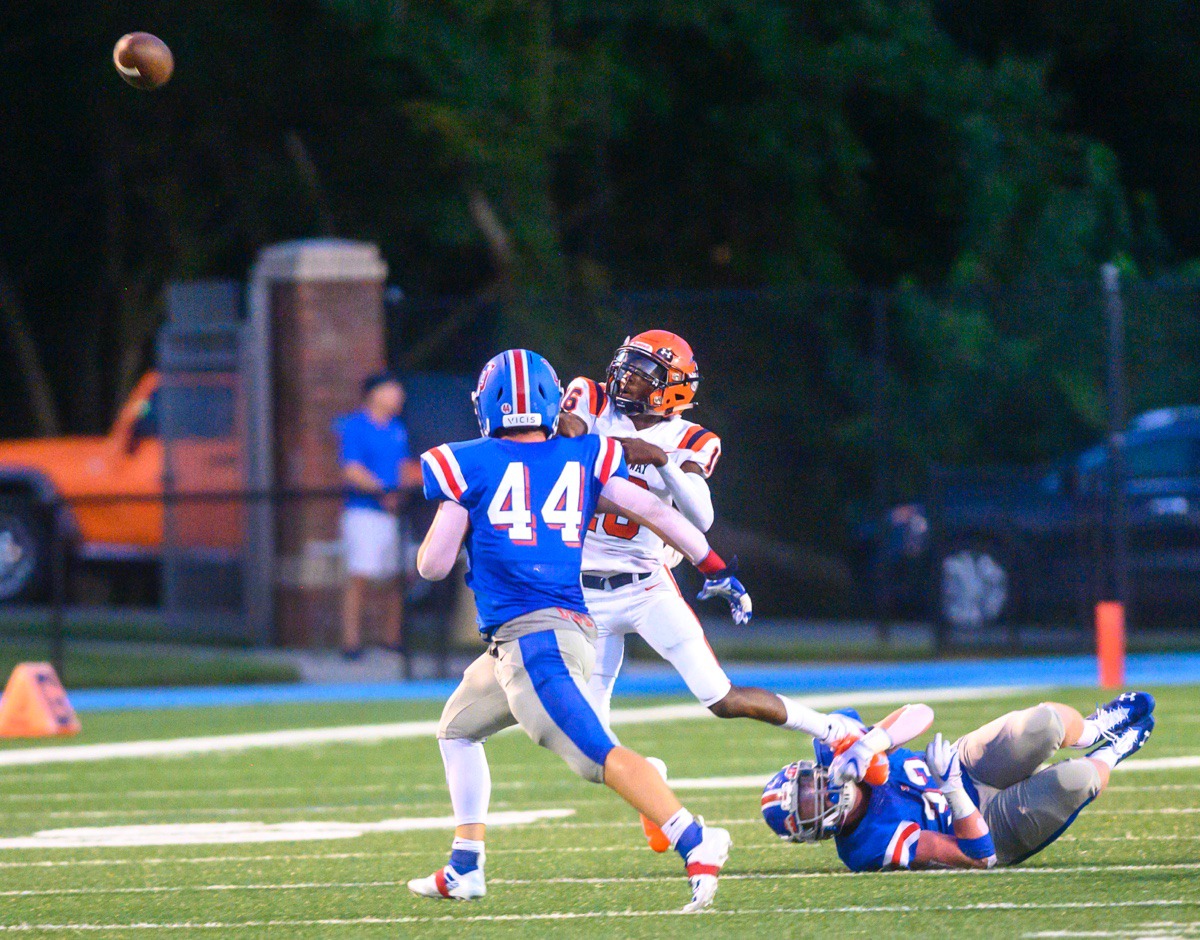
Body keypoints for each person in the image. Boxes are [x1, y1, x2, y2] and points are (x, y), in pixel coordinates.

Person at [407, 348, 751, 912]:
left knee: (598, 757)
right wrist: (715, 568)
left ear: (486, 406)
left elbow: (433, 565)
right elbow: (661, 515)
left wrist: (464, 514)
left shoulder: (464, 462)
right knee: (457, 729)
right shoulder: (586, 454)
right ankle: (465, 864)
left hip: (534, 641)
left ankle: (696, 839)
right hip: (543, 635)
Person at [559, 331, 863, 848]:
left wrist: (658, 459)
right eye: (625, 366)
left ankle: (833, 731)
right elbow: (563, 440)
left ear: (671, 390)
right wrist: (610, 445)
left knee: (720, 697)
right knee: (590, 750)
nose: (625, 379)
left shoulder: (693, 439)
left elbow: (701, 515)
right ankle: (650, 780)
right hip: (583, 595)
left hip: (645, 586)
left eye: (642, 374)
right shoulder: (588, 397)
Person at [760, 691, 1156, 870]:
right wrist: (950, 788)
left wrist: (871, 743)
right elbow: (978, 856)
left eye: (809, 784)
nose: (820, 790)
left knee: (1044, 723)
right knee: (1077, 778)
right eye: (810, 802)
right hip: (981, 823)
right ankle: (1112, 752)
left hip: (967, 766)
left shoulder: (835, 751)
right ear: (816, 831)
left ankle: (1092, 730)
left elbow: (920, 712)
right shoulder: (866, 846)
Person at [334, 371, 418, 660]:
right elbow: (351, 469)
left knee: (397, 575)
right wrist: (383, 490)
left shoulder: (397, 428)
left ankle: (391, 639)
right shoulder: (355, 426)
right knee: (359, 576)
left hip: (393, 514)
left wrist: (406, 488)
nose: (398, 396)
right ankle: (351, 643)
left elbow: (404, 466)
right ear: (375, 393)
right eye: (393, 390)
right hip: (363, 512)